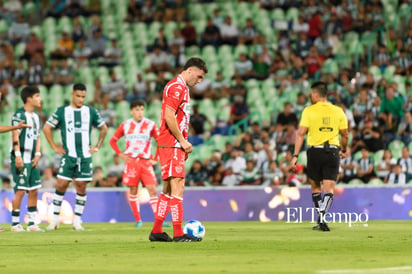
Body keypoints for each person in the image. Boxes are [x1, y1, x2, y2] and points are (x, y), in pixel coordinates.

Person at [149, 57, 208, 242]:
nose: (199, 81)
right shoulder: (177, 87)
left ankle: (157, 231)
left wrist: (183, 144)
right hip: (172, 143)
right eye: (199, 76)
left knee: (167, 188)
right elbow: (169, 115)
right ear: (190, 70)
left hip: (172, 143)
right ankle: (178, 234)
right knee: (178, 185)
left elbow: (179, 119)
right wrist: (182, 142)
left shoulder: (182, 88)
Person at [43, 83, 107, 231]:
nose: (80, 99)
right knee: (61, 185)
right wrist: (54, 146)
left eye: (83, 96)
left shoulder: (90, 111)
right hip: (69, 155)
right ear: (72, 95)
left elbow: (103, 128)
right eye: (78, 96)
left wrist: (97, 146)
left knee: (82, 187)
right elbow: (47, 127)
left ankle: (77, 221)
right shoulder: (62, 111)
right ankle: (53, 221)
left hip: (85, 157)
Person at [291, 81, 349, 232]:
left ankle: (321, 219)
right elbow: (345, 134)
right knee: (329, 189)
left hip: (315, 152)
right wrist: (344, 149)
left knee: (316, 187)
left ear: (316, 95)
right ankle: (322, 218)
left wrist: (295, 155)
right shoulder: (338, 111)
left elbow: (300, 134)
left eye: (311, 94)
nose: (310, 96)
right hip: (332, 151)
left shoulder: (308, 111)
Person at [109, 100, 167, 228]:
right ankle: (138, 220)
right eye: (137, 110)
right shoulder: (125, 125)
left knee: (152, 189)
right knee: (133, 190)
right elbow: (112, 141)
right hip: (132, 162)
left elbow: (159, 141)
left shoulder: (150, 124)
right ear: (131, 111)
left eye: (141, 109)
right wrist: (120, 154)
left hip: (146, 162)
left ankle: (159, 220)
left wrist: (156, 158)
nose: (140, 112)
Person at [9, 86, 44, 232]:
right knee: (21, 190)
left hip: (32, 157)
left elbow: (37, 137)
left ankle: (31, 223)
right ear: (29, 99)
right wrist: (18, 156)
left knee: (34, 190)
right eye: (37, 96)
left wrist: (38, 154)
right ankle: (15, 224)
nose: (40, 99)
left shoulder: (36, 117)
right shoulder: (19, 115)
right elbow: (15, 135)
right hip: (22, 156)